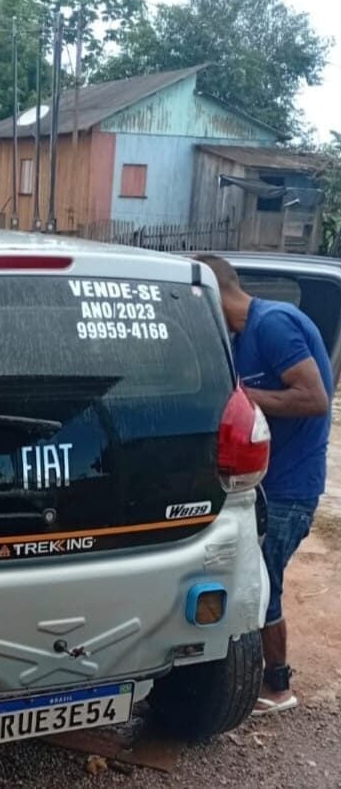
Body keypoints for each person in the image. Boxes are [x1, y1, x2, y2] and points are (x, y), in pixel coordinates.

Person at [196, 254, 332, 714]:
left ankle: (278, 687)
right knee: (248, 577)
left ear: (215, 294)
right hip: (262, 480)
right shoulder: (237, 338)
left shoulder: (274, 325)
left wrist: (240, 397)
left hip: (292, 487)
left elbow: (314, 398)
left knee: (263, 581)